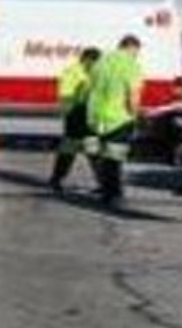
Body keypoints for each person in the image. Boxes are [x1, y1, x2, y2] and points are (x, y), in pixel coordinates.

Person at [84, 34, 145, 205]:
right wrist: (135, 116)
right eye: (136, 52)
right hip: (119, 118)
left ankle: (106, 190)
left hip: (96, 117)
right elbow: (133, 96)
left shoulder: (100, 63)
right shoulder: (131, 65)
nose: (136, 55)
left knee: (102, 156)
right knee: (114, 158)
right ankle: (114, 194)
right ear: (132, 48)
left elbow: (90, 89)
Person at [47, 47, 101, 192]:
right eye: (96, 62)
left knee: (92, 149)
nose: (97, 65)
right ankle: (56, 179)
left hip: (88, 115)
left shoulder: (93, 72)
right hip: (75, 115)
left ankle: (102, 182)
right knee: (70, 150)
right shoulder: (72, 71)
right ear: (87, 59)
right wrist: (69, 113)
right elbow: (65, 95)